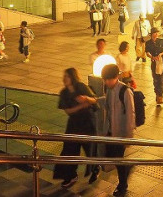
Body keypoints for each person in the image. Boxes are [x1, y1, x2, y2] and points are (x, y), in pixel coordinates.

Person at [53, 68, 99, 188]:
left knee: (90, 148)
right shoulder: (64, 93)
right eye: (64, 76)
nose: (64, 79)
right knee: (69, 149)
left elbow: (94, 100)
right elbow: (68, 111)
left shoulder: (81, 87)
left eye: (67, 76)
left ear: (72, 77)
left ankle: (95, 168)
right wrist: (82, 105)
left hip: (87, 122)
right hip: (74, 123)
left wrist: (86, 99)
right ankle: (70, 175)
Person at [101, 64, 135, 196]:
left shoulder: (125, 91)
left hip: (121, 133)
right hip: (111, 131)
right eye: (105, 79)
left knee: (118, 159)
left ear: (116, 77)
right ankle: (127, 167)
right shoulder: (109, 90)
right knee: (114, 158)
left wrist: (128, 136)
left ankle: (122, 185)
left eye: (109, 79)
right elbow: (107, 107)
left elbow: (130, 115)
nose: (106, 82)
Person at [145, 27, 163, 104]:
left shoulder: (161, 41)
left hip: (162, 61)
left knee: (161, 79)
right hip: (154, 62)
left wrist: (161, 54)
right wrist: (152, 57)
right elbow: (147, 52)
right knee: (156, 79)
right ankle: (157, 94)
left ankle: (160, 96)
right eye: (155, 33)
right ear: (151, 34)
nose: (156, 34)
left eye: (157, 33)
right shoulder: (148, 43)